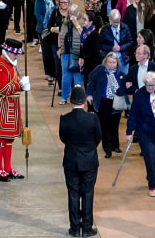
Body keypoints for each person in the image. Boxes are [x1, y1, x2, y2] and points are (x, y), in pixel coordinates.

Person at [58, 86, 101, 238]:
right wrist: (89, 149)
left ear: (71, 102)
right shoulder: (93, 118)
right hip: (89, 161)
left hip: (71, 160)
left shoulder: (64, 119)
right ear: (84, 102)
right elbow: (98, 137)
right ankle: (87, 228)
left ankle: (75, 228)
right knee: (88, 193)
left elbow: (63, 138)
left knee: (73, 194)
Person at [0, 38, 30, 182]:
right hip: (3, 106)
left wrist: (22, 87)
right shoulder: (1, 66)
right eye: (14, 54)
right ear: (8, 52)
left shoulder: (11, 64)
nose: (16, 57)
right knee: (0, 138)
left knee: (9, 138)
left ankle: (8, 168)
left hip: (12, 105)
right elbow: (4, 89)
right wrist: (20, 85)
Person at [125, 71, 155, 197]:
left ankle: (151, 173)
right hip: (145, 132)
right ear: (144, 84)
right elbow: (133, 114)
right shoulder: (140, 95)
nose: (151, 88)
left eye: (153, 85)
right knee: (150, 157)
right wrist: (129, 132)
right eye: (148, 85)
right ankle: (153, 186)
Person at [87, 52, 125, 159]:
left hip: (116, 102)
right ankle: (107, 149)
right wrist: (89, 94)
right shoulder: (99, 70)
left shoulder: (121, 74)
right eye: (109, 62)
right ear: (105, 62)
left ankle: (115, 145)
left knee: (115, 124)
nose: (111, 64)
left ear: (117, 63)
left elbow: (124, 89)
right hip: (103, 101)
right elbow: (91, 82)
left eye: (113, 62)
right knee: (105, 126)